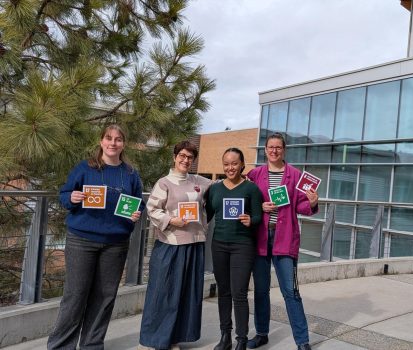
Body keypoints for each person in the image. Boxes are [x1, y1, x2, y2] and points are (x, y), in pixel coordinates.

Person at [48, 124, 145, 350]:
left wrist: (136, 212)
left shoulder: (130, 173)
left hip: (116, 243)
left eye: (118, 139)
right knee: (75, 295)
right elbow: (64, 196)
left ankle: (92, 345)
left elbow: (138, 201)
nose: (113, 143)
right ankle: (61, 346)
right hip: (82, 240)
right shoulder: (85, 168)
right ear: (101, 141)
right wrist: (71, 197)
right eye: (109, 138)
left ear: (124, 144)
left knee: (104, 298)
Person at [246, 133, 319, 350]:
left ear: (284, 150)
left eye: (278, 147)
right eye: (270, 147)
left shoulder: (295, 176)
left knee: (291, 291)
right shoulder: (255, 174)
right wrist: (259, 207)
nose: (274, 151)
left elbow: (301, 207)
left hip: (284, 238)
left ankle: (302, 340)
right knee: (260, 290)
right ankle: (261, 333)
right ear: (265, 149)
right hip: (260, 238)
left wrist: (313, 202)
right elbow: (245, 201)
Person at [139, 141, 212, 350]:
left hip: (194, 243)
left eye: (190, 157)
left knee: (186, 295)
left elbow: (222, 187)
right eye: (182, 155)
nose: (185, 160)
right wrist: (171, 220)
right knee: (163, 293)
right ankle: (152, 340)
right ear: (174, 157)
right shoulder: (164, 183)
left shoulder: (200, 182)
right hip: (170, 245)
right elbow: (152, 209)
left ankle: (173, 339)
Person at [206, 148, 263, 350]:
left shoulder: (251, 189)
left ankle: (241, 339)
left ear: (242, 164)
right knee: (224, 292)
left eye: (234, 163)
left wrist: (251, 220)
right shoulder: (215, 189)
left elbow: (258, 216)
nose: (230, 167)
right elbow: (206, 215)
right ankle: (225, 337)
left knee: (239, 293)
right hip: (219, 244)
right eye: (227, 164)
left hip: (242, 246)